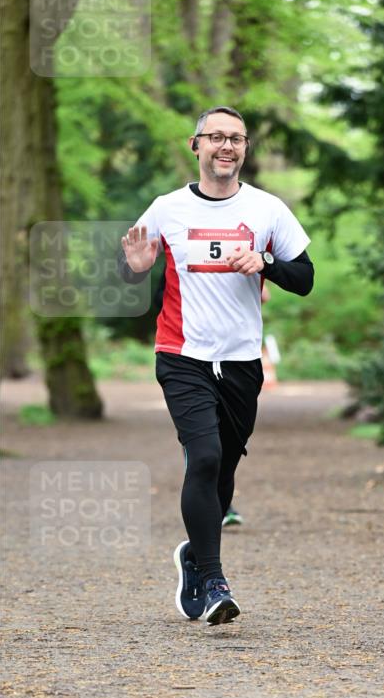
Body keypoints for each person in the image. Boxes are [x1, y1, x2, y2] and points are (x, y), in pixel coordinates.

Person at [119, 105, 313, 624]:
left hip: (242, 359)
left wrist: (266, 261)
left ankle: (193, 555)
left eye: (236, 139)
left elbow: (304, 276)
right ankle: (213, 581)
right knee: (202, 456)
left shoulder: (269, 210)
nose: (226, 146)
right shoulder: (167, 208)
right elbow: (131, 265)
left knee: (223, 467)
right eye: (216, 138)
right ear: (196, 146)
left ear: (245, 149)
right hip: (182, 354)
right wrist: (136, 271)